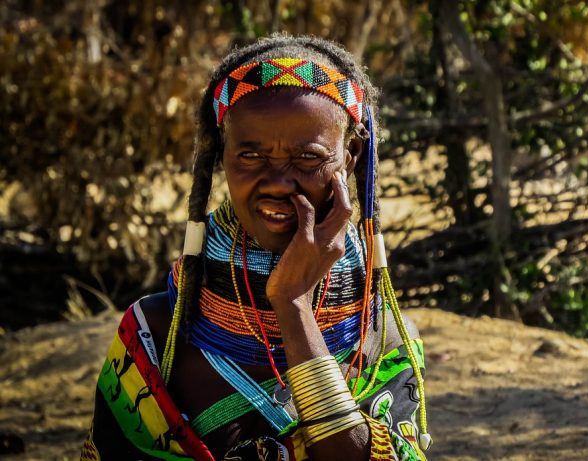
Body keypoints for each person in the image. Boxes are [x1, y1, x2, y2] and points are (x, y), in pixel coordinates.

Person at [81, 34, 430, 460]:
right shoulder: (157, 336)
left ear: (351, 154)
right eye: (250, 155)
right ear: (221, 155)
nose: (278, 183)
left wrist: (292, 303)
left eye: (308, 157)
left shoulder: (382, 339)